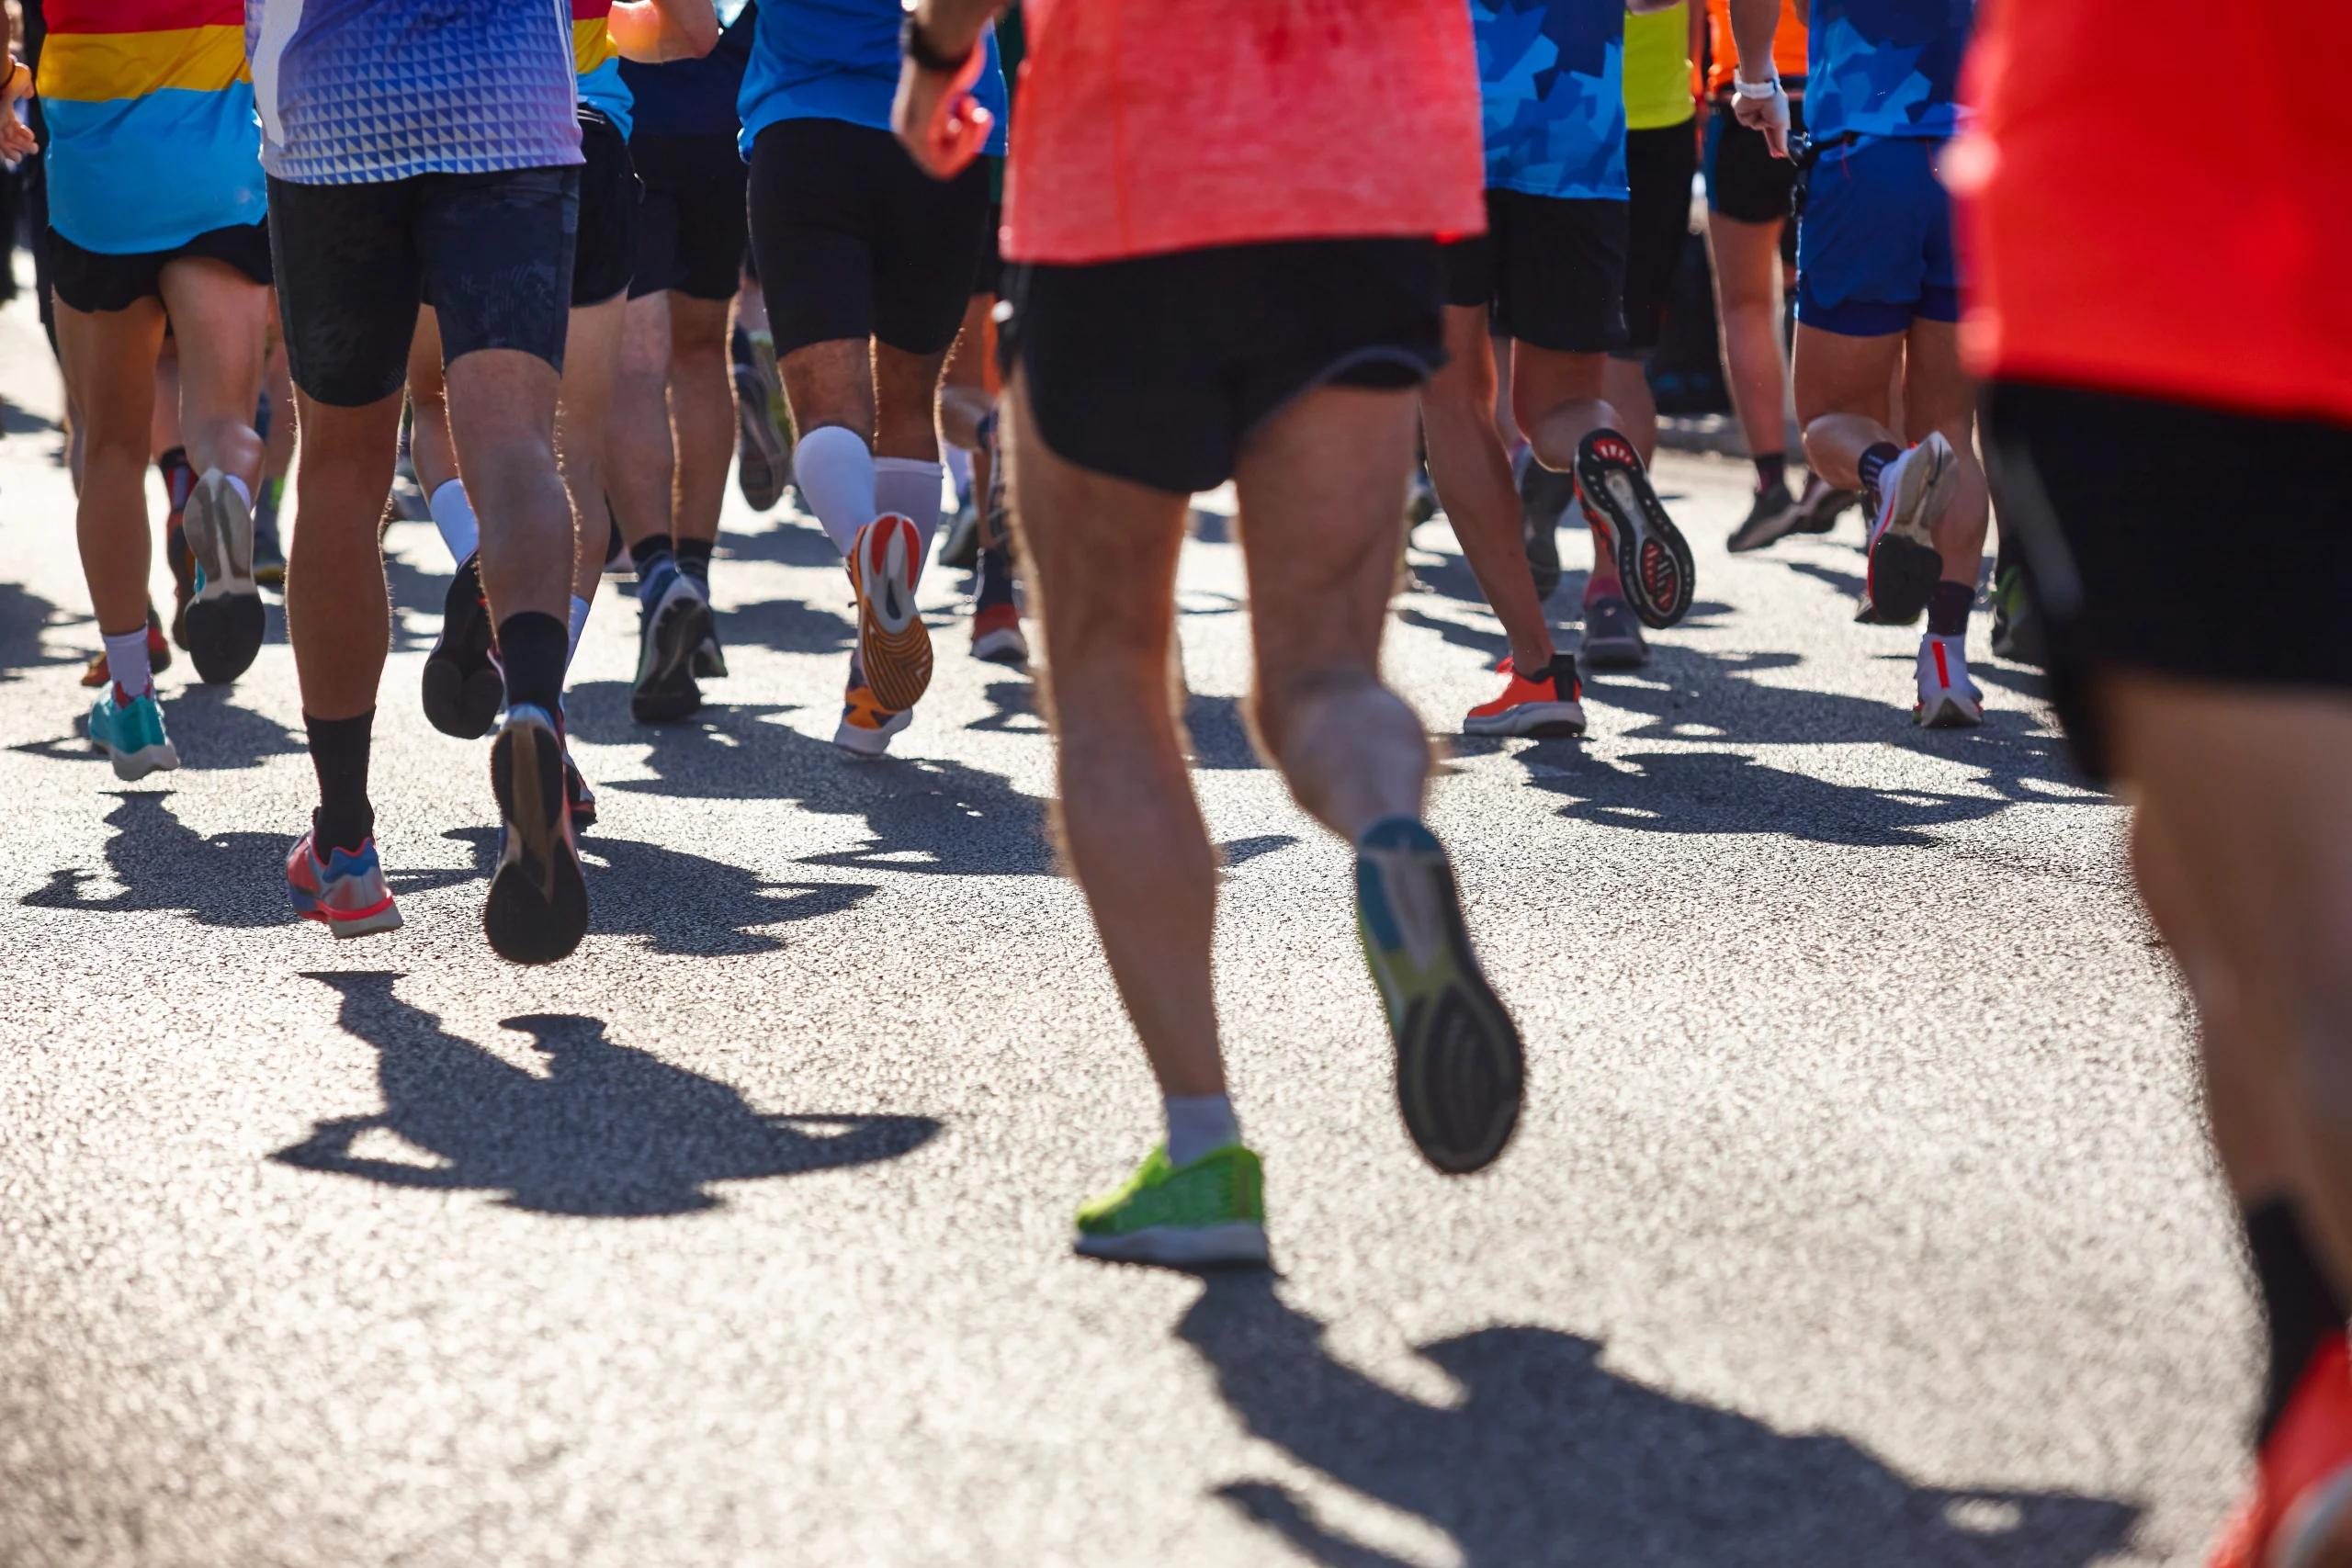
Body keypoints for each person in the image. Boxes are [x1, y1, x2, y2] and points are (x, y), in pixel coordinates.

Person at [898, 0, 1524, 1264]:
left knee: (1112, 679)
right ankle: (1392, 832)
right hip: (1366, 186)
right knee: (1325, 672)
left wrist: (933, 64)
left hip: (1125, 195)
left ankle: (1204, 1151)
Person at [1953, 4, 2352, 1562]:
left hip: (2179, 249)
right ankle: (2308, 1407)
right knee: (2201, 889)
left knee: (2300, 962)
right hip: (2162, 234)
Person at [253, 0, 592, 957]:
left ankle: (346, 846)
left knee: (342, 475)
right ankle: (530, 707)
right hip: (509, 104)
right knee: (515, 442)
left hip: (333, 111)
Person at [741, 0, 1009, 756]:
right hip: (944, 131)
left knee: (828, 411)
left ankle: (864, 551)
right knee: (909, 406)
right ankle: (873, 690)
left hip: (804, 128)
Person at [1431, 0, 1699, 721]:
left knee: (1452, 399)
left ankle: (1540, 669)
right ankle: (1597, 446)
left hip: (1441, 122)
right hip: (1576, 128)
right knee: (1559, 408)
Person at [1729, 0, 1984, 728]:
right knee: (1951, 429)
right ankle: (1947, 662)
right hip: (1975, 161)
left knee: (1829, 423)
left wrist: (1756, 81)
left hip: (1865, 154)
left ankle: (1885, 473)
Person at [38, 0, 270, 785]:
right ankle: (225, 500)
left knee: (106, 443)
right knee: (225, 421)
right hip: (221, 176)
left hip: (96, 183)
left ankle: (132, 696)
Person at [608, 0, 758, 714]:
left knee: (635, 366)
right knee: (703, 353)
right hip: (726, 113)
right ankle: (693, 577)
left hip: (630, 114)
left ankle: (660, 578)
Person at [1704, 0, 1853, 551]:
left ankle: (1771, 486)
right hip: (1834, 91)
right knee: (1834, 295)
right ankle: (1845, 468)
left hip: (1748, 90)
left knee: (1745, 306)